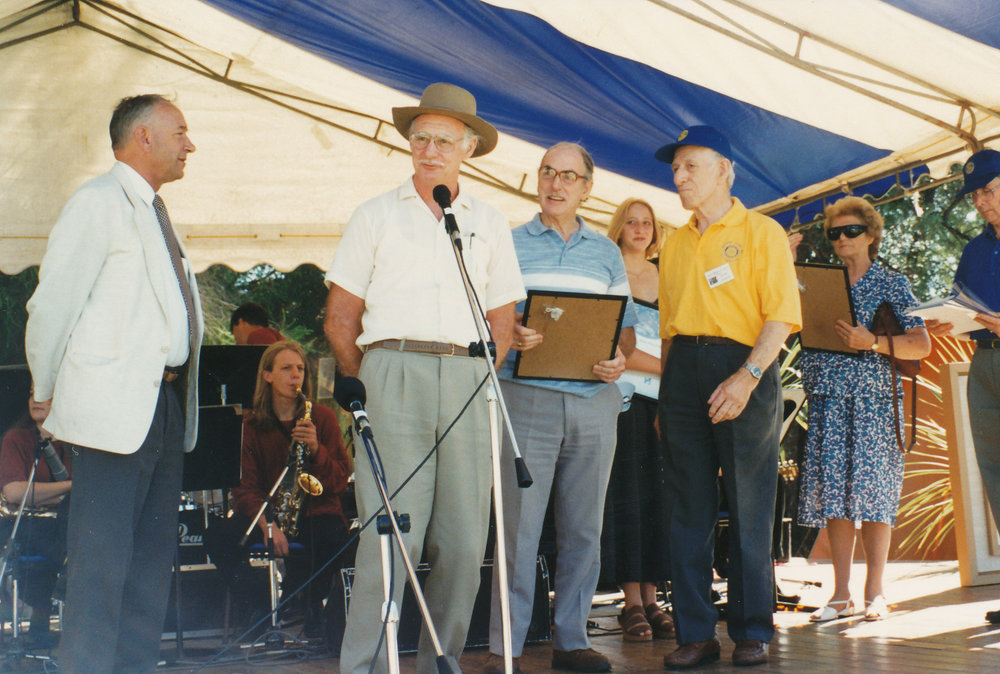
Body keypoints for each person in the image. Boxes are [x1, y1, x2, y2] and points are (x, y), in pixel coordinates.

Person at [324, 82, 525, 674]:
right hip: (392, 373)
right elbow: (340, 319)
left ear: (469, 148)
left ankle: (444, 662)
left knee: (464, 543)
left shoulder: (489, 221)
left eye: (443, 140)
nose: (430, 150)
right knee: (390, 538)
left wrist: (480, 376)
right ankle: (366, 666)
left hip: (469, 377)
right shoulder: (375, 214)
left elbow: (503, 319)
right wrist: (370, 384)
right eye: (420, 139)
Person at [25, 93, 202, 673]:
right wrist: (45, 388)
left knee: (150, 569)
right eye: (180, 132)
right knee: (101, 568)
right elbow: (52, 306)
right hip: (112, 409)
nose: (190, 145)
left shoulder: (154, 211)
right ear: (143, 137)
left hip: (163, 402)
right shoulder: (97, 202)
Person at [486, 142, 637, 674]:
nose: (556, 183)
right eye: (548, 172)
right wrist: (511, 330)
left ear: (587, 189)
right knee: (518, 530)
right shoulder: (506, 244)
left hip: (594, 402)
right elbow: (486, 318)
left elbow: (626, 331)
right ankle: (506, 647)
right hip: (524, 397)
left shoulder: (607, 253)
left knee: (584, 529)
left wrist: (619, 358)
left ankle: (572, 640)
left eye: (569, 176)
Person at [654, 126, 801, 669]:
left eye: (691, 166)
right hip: (683, 372)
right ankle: (695, 633)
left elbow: (780, 316)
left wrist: (747, 377)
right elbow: (668, 330)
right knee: (686, 509)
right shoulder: (673, 243)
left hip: (745, 367)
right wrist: (667, 398)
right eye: (676, 168)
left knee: (748, 504)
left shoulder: (761, 232)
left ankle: (751, 629)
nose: (679, 177)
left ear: (724, 171)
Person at [797, 197, 930, 623]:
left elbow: (921, 345)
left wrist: (870, 341)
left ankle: (875, 592)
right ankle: (841, 595)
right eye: (834, 232)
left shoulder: (893, 283)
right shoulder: (817, 281)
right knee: (835, 498)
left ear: (871, 235)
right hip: (828, 400)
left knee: (875, 496)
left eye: (851, 230)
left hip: (875, 402)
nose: (842, 239)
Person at [210, 340, 350, 638]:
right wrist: (267, 525)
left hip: (314, 513)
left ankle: (309, 606)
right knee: (218, 537)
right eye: (286, 368)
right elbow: (244, 488)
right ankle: (259, 603)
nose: (296, 375)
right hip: (268, 514)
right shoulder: (249, 425)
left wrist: (317, 450)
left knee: (333, 533)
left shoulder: (322, 418)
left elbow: (339, 480)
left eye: (300, 369)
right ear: (267, 376)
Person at [924, 148, 1000, 624]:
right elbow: (963, 306)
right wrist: (944, 322)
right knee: (995, 475)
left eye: (988, 191)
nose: (980, 203)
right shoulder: (974, 250)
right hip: (983, 364)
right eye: (974, 197)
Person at [599, 198, 673, 643]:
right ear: (619, 227)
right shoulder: (609, 271)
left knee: (658, 498)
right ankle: (631, 602)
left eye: (647, 222)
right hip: (624, 397)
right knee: (627, 496)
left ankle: (652, 598)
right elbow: (614, 342)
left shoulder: (668, 275)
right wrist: (670, 368)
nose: (640, 229)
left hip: (665, 402)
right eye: (632, 222)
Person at [0, 391, 72, 647]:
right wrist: (70, 487)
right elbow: (14, 492)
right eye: (32, 393)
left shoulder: (73, 444)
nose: (35, 399)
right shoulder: (16, 439)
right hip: (24, 525)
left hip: (62, 525)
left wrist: (43, 494)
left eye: (44, 394)